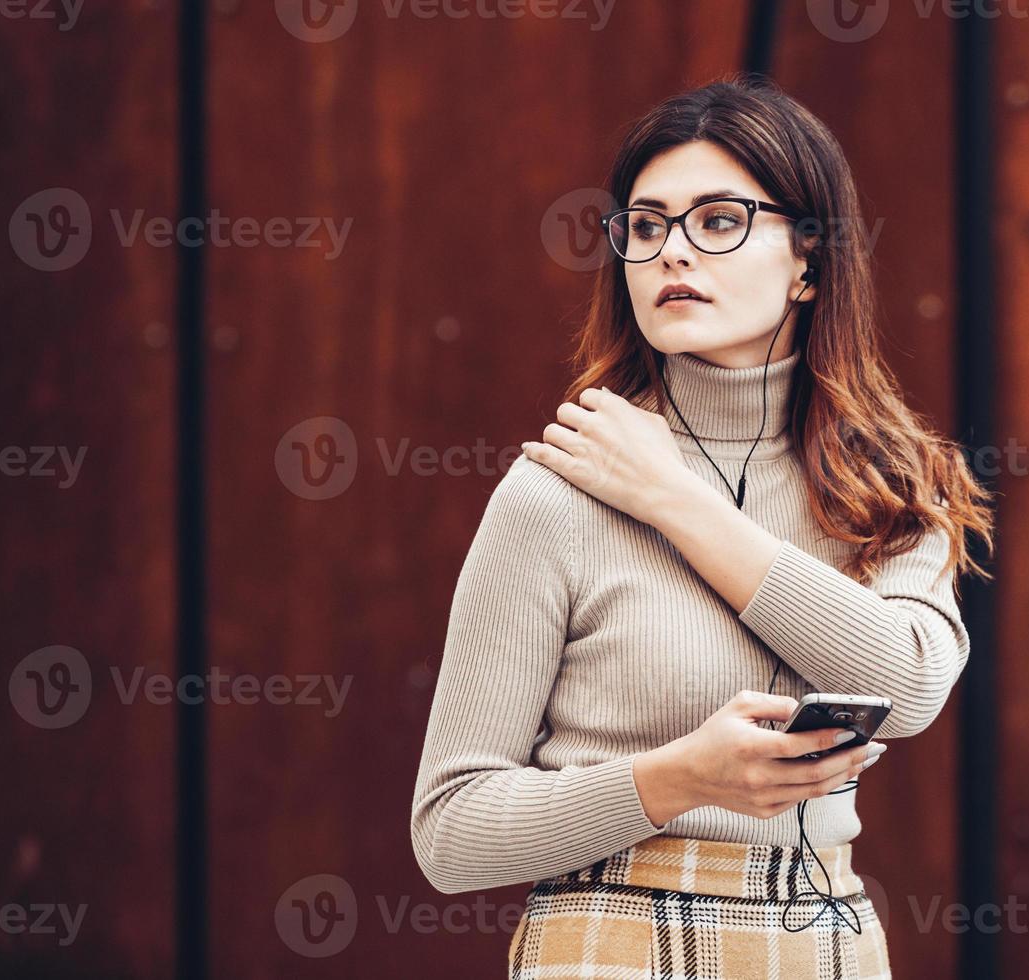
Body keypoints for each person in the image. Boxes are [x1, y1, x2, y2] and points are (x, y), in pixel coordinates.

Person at [410, 72, 995, 979]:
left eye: (719, 220)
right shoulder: (558, 492)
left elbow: (910, 687)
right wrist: (674, 779)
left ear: (809, 258)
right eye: (645, 227)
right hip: (607, 940)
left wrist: (676, 500)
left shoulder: (893, 485)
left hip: (825, 939)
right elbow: (450, 831)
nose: (673, 253)